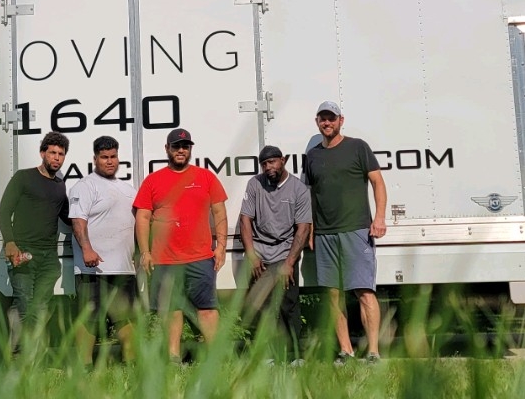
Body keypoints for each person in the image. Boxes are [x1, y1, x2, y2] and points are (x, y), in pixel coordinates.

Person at [301, 101, 389, 365]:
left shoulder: (358, 147)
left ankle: (373, 353)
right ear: (317, 122)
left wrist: (379, 217)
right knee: (333, 294)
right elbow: (310, 195)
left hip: (357, 230)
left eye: (332, 118)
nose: (327, 123)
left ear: (341, 120)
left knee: (364, 292)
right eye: (323, 118)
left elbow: (377, 182)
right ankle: (346, 352)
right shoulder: (312, 156)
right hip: (325, 234)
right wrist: (311, 228)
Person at [133, 128, 228, 362]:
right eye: (176, 146)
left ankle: (215, 359)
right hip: (164, 258)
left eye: (185, 146)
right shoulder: (153, 180)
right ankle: (173, 359)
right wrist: (145, 252)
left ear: (190, 149)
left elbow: (219, 211)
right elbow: (142, 217)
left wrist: (221, 246)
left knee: (207, 308)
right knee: (170, 310)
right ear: (167, 149)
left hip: (200, 257)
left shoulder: (205, 177)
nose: (181, 150)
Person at [238, 145, 312, 363]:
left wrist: (289, 263)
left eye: (272, 162)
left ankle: (295, 356)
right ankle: (267, 356)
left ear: (283, 160)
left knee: (288, 304)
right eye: (264, 164)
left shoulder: (299, 189)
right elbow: (245, 220)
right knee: (262, 306)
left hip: (285, 253)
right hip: (260, 254)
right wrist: (252, 255)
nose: (268, 167)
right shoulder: (254, 184)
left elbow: (303, 228)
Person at [0, 131, 71, 352]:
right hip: (24, 252)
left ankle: (31, 354)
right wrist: (10, 242)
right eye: (52, 153)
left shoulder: (60, 186)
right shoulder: (23, 177)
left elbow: (68, 218)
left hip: (49, 257)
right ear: (42, 153)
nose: (56, 158)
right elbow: (4, 212)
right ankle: (18, 355)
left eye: (61, 154)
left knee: (40, 307)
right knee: (24, 305)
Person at [68, 135, 137, 363]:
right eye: (104, 157)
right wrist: (86, 249)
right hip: (93, 267)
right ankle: (85, 366)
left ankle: (130, 364)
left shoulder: (127, 189)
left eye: (113, 156)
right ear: (95, 159)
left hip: (123, 268)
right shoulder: (85, 186)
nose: (109, 161)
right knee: (89, 319)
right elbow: (78, 221)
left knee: (126, 318)